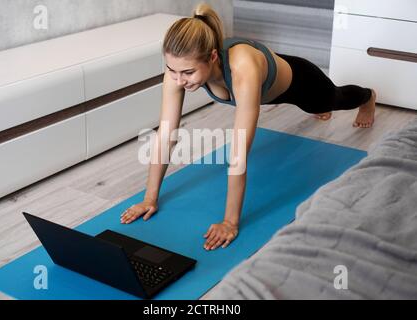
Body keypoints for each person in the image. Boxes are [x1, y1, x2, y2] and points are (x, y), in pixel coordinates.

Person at [120, 3, 376, 251]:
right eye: (172, 70)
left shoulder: (243, 67)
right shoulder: (178, 68)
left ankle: (368, 96)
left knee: (333, 100)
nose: (179, 80)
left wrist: (230, 222)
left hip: (301, 82)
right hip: (267, 88)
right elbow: (166, 135)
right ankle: (324, 109)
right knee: (319, 110)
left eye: (187, 73)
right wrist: (149, 199)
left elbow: (239, 152)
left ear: (211, 57)